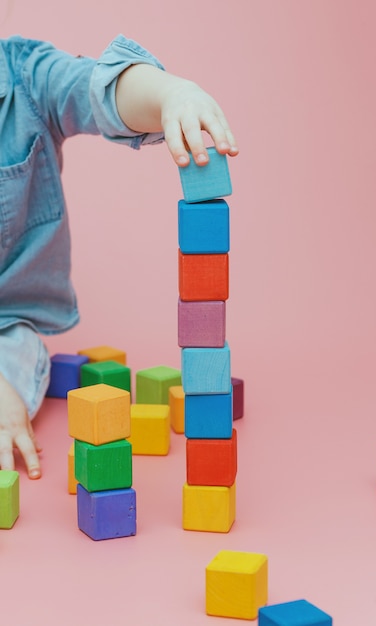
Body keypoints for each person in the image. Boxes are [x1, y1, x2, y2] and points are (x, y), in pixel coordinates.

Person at [0, 33, 238, 479]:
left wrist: (170, 93)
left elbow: (97, 88)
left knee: (10, 358)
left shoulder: (28, 78)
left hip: (5, 328)